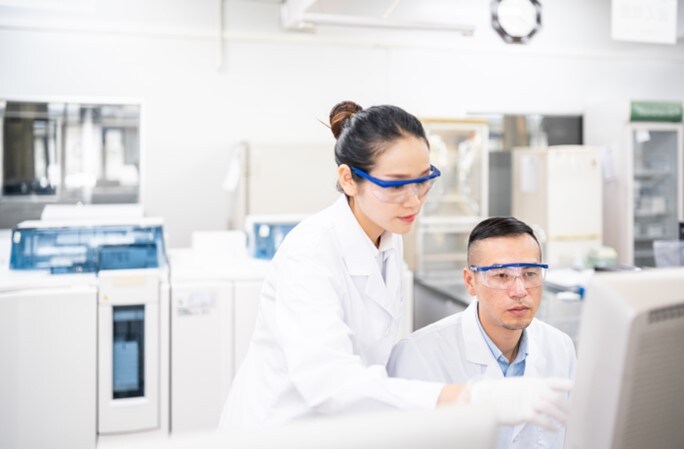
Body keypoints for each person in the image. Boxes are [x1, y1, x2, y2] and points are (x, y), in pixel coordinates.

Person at [219, 102, 571, 431]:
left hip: (342, 425)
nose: (414, 200)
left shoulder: (388, 235)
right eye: (396, 185)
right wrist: (466, 397)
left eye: (423, 181)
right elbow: (328, 381)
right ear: (348, 179)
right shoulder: (310, 253)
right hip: (280, 428)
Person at [387, 216, 576, 449]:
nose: (519, 291)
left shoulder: (560, 347)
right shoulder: (417, 356)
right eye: (501, 275)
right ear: (470, 281)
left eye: (530, 273)